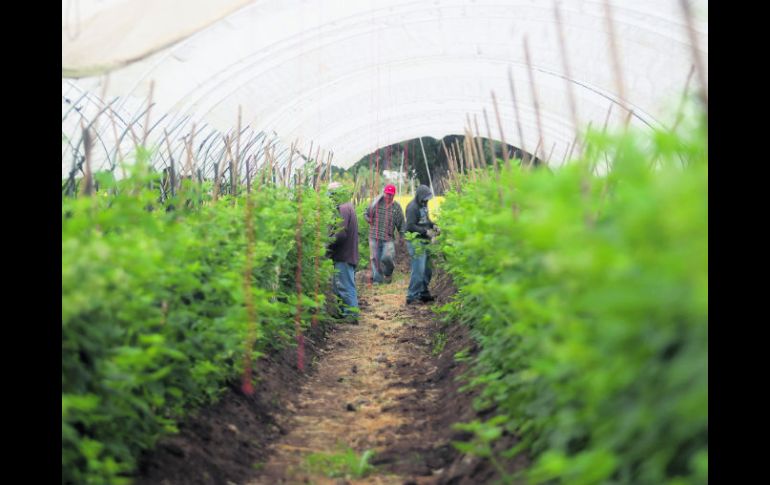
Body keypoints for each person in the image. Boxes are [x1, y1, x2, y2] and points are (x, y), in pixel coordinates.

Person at [327, 182, 360, 323]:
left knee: (345, 286)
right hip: (345, 254)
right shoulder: (347, 206)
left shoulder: (343, 208)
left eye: (331, 195)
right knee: (339, 286)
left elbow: (340, 234)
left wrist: (326, 244)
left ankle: (351, 315)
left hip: (344, 255)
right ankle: (343, 312)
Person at [404, 184, 439, 304]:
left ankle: (423, 293)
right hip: (416, 241)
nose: (427, 200)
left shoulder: (424, 205)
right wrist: (425, 231)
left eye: (428, 198)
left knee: (428, 269)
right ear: (419, 197)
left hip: (426, 240)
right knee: (418, 269)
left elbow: (426, 220)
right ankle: (412, 296)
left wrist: (434, 225)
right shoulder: (412, 208)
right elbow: (410, 226)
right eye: (425, 198)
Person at [365, 184, 405, 284]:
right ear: (384, 193)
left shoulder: (396, 207)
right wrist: (368, 219)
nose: (389, 197)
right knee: (375, 258)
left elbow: (401, 223)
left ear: (394, 195)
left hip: (388, 238)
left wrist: (402, 236)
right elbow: (366, 213)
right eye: (387, 194)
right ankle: (377, 280)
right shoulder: (377, 203)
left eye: (391, 195)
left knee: (387, 257)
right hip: (374, 236)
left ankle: (388, 272)